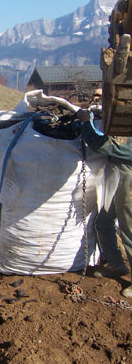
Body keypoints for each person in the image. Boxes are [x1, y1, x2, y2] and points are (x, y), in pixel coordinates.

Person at [76, 106, 132, 298]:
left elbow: (102, 145)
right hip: (117, 176)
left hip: (128, 181)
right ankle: (116, 264)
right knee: (103, 222)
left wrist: (85, 122)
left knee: (129, 230)